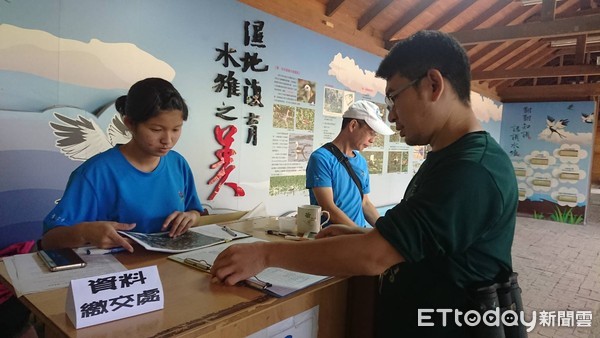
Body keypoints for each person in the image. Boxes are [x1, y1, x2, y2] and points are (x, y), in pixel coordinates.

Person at [210, 30, 518, 337]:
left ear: (433, 85)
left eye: (394, 97)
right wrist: (363, 233)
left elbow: (375, 256)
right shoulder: (450, 159)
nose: (393, 115)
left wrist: (265, 254)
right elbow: (425, 245)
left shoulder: (472, 170)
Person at [42, 77, 205, 251]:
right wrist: (85, 233)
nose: (167, 140)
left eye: (176, 129)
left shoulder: (178, 164)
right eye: (156, 130)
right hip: (117, 269)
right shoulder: (95, 173)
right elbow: (50, 240)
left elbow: (194, 211)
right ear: (130, 124)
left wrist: (191, 217)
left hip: (170, 264)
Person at [306, 100, 393, 227]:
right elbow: (328, 207)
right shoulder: (321, 158)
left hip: (357, 238)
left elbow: (365, 203)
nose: (373, 140)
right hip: (332, 240)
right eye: (371, 132)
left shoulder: (361, 161)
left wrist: (386, 231)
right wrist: (358, 234)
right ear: (353, 125)